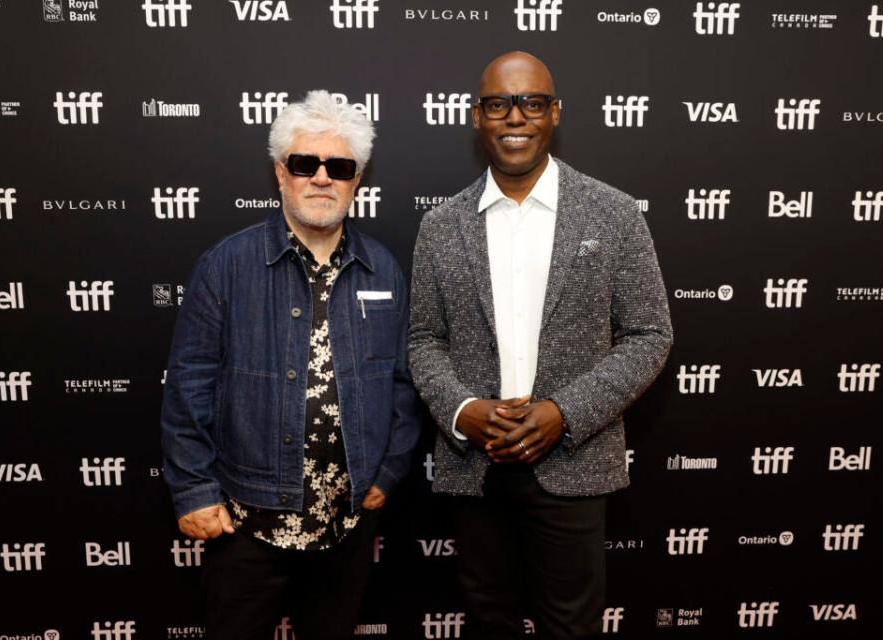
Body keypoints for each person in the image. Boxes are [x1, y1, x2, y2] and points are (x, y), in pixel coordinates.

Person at [408, 52, 673, 638]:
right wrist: (461, 411)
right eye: (498, 104)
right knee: (486, 621)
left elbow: (650, 334)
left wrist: (564, 414)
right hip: (474, 466)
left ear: (554, 113)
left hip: (574, 464)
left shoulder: (615, 213)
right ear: (477, 118)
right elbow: (425, 339)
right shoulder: (441, 225)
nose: (515, 117)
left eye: (531, 102)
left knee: (570, 626)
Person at [161, 90, 419, 640]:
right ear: (282, 173)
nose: (321, 177)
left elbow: (403, 383)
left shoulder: (383, 271)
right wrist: (195, 491)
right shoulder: (227, 265)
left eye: (339, 167)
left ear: (357, 180)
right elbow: (189, 385)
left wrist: (390, 472)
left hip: (346, 527)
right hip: (246, 526)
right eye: (306, 164)